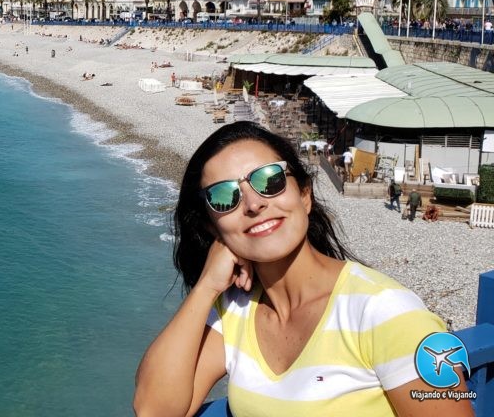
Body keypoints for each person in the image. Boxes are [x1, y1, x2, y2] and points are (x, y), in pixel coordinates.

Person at [134, 122, 470, 417]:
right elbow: (154, 409)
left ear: (305, 195)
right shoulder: (236, 310)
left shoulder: (387, 311)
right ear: (213, 228)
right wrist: (207, 285)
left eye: (270, 180)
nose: (253, 204)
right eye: (225, 197)